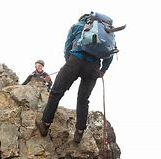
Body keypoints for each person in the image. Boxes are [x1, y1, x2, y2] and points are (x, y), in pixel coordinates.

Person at [35, 14, 114, 143]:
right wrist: (103, 70)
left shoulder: (77, 26)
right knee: (83, 100)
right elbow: (110, 54)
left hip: (76, 60)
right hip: (93, 67)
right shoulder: (105, 31)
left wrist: (69, 60)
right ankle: (79, 133)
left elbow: (67, 46)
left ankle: (45, 125)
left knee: (56, 92)